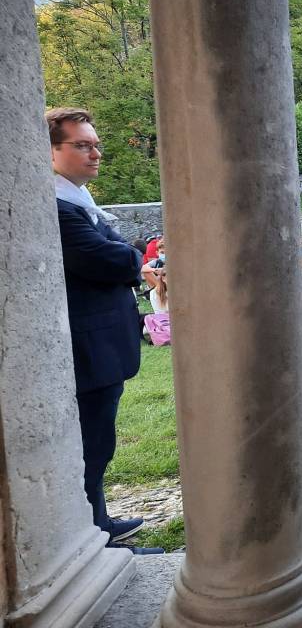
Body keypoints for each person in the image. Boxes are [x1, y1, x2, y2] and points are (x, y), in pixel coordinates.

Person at [48, 107, 162, 555]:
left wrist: (127, 254)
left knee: (98, 441)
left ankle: (100, 523)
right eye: (82, 145)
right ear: (50, 152)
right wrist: (132, 256)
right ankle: (95, 543)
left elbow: (118, 254)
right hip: (86, 350)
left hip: (97, 347)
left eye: (95, 143)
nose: (95, 152)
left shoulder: (78, 201)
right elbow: (114, 259)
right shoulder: (57, 208)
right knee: (90, 447)